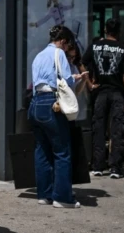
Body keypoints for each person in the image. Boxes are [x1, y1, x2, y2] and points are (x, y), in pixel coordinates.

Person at [29, 25, 85, 208]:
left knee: (42, 150)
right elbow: (66, 81)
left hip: (36, 103)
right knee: (62, 151)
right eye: (68, 45)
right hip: (52, 103)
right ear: (63, 41)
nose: (67, 49)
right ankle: (62, 197)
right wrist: (76, 78)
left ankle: (44, 194)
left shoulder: (38, 56)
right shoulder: (58, 53)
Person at [82, 18, 124, 178]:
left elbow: (82, 63)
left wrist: (90, 83)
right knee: (116, 129)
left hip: (100, 92)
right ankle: (115, 167)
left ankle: (97, 165)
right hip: (117, 92)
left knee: (99, 128)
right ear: (119, 31)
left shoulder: (95, 46)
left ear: (105, 30)